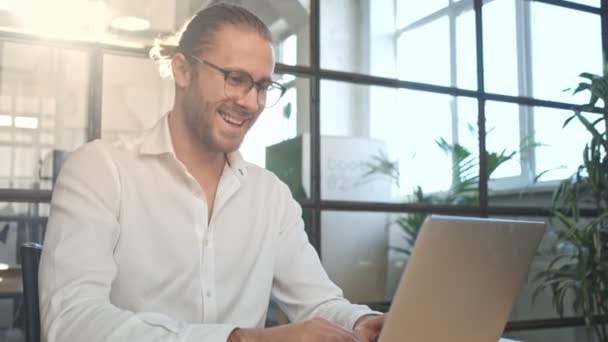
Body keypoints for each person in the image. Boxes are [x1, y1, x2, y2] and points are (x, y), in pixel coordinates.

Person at [39, 3, 386, 342]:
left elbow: (319, 301)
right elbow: (71, 321)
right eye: (236, 79)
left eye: (263, 87)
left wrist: (363, 321)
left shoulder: (271, 195)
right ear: (182, 70)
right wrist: (241, 339)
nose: (251, 103)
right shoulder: (100, 170)